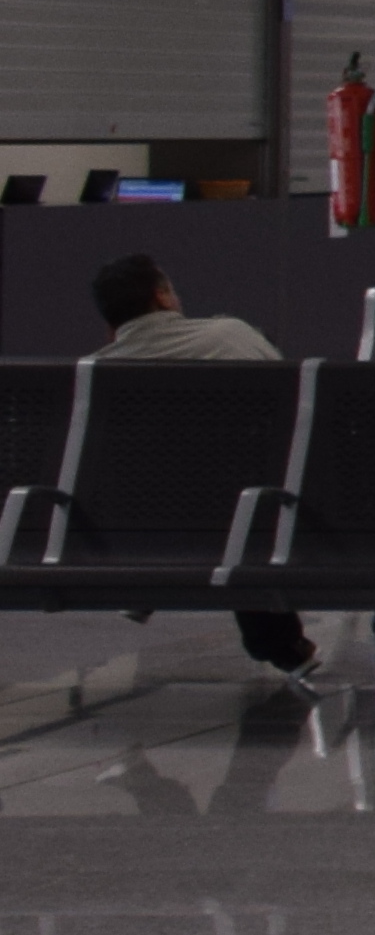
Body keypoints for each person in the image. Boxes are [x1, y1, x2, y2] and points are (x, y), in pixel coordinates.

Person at [88, 254, 312, 683]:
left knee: (198, 502)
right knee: (244, 510)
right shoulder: (231, 336)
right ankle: (278, 644)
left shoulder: (97, 372)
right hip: (250, 518)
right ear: (162, 296)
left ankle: (147, 583)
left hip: (141, 530)